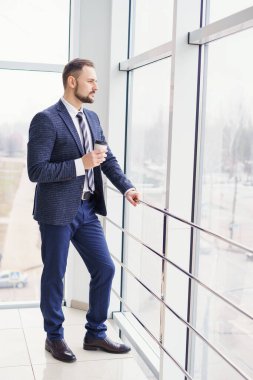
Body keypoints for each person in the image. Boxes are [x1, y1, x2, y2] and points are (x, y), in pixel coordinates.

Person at [27, 58, 140, 363]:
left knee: (105, 268)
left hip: (87, 210)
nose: (96, 87)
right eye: (91, 81)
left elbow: (107, 158)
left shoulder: (92, 119)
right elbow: (36, 171)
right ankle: (55, 337)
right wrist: (81, 164)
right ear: (72, 82)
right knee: (55, 275)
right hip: (56, 212)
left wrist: (127, 187)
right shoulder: (45, 120)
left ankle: (95, 333)